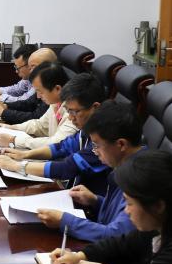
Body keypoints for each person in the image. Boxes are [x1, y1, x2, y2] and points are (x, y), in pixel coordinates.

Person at [35, 101, 141, 242]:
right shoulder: (124, 167)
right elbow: (117, 216)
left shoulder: (140, 179)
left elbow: (115, 235)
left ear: (121, 144)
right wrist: (95, 200)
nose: (95, 152)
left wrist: (64, 221)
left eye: (96, 146)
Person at [0, 73, 108, 193]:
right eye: (68, 111)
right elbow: (62, 147)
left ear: (95, 107)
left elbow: (67, 168)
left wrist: (17, 166)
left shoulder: (105, 139)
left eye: (74, 112)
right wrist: (24, 155)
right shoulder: (88, 129)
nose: (70, 117)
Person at [0, 63, 76, 150]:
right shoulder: (56, 103)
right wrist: (13, 127)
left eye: (41, 91)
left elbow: (56, 143)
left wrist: (13, 140)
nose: (38, 96)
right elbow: (40, 125)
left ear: (57, 89)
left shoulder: (74, 111)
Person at [0, 47, 59, 124]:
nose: (30, 71)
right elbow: (28, 103)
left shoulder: (52, 87)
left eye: (33, 67)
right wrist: (6, 106)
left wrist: (4, 113)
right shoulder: (41, 81)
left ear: (48, 67)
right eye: (30, 67)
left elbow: (36, 117)